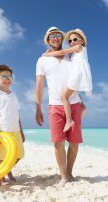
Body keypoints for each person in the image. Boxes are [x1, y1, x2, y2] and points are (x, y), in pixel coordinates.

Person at [35, 26, 83, 186]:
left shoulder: (72, 56)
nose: (56, 38)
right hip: (55, 105)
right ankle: (63, 175)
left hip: (74, 103)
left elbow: (78, 78)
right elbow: (39, 86)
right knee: (58, 142)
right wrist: (38, 108)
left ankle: (69, 172)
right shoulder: (42, 60)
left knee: (74, 142)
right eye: (52, 36)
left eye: (58, 36)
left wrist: (82, 101)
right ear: (48, 40)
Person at [43, 28, 92, 132]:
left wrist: (48, 54)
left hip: (77, 76)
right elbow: (64, 54)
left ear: (82, 41)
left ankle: (69, 120)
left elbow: (63, 51)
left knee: (64, 96)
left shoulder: (80, 47)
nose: (72, 42)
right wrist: (51, 51)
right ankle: (82, 107)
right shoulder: (74, 53)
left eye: (75, 39)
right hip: (77, 76)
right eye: (70, 41)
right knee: (74, 95)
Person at [0, 64, 25, 186]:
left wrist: (21, 131)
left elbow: (17, 114)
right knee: (4, 156)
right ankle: (1, 178)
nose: (7, 79)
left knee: (19, 155)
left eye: (10, 76)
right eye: (3, 76)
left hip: (16, 130)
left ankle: (7, 169)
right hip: (3, 131)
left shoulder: (13, 94)